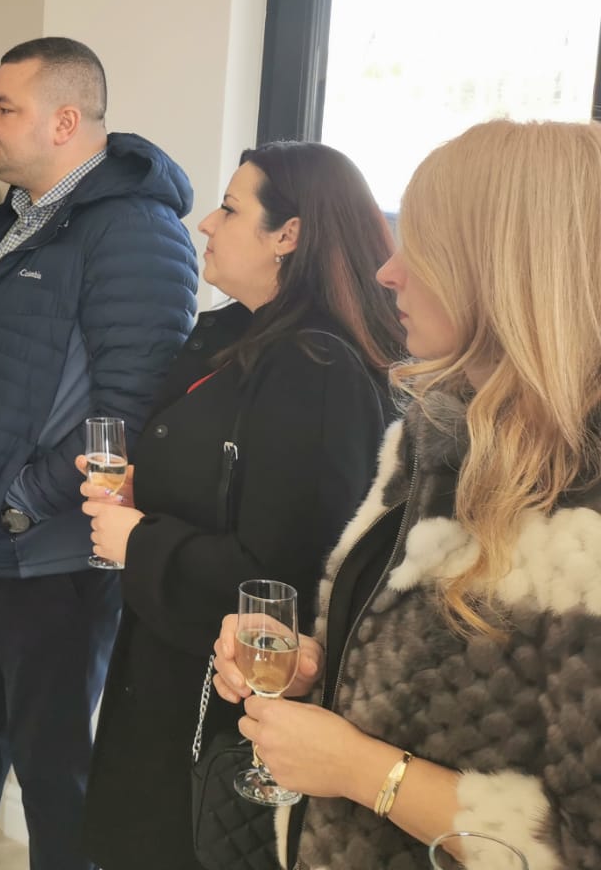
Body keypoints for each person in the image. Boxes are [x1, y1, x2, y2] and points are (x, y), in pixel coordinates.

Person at [210, 120, 601, 870]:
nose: (388, 272)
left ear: (507, 274)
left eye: (421, 251)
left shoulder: (583, 514)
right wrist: (318, 669)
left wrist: (364, 770)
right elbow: (435, 681)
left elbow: (584, 843)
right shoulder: (433, 442)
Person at [0, 38, 198, 870]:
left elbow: (132, 407)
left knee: (53, 765)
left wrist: (23, 497)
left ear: (63, 121)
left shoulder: (133, 232)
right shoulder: (14, 218)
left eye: (3, 106)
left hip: (48, 549)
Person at [80, 143, 405, 870]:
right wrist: (142, 489)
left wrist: (139, 539)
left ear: (288, 234)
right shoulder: (242, 334)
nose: (206, 223)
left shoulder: (314, 369)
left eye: (230, 209)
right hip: (175, 664)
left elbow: (282, 578)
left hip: (229, 694)